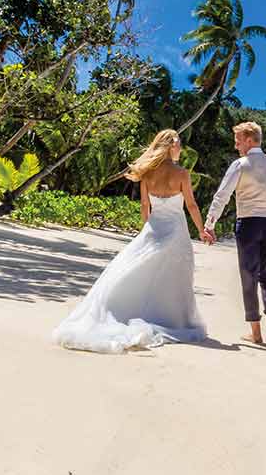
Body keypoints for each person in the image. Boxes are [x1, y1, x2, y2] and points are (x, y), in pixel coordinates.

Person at [52, 129, 208, 353]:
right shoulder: (182, 173)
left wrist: (147, 229)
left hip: (153, 229)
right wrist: (202, 230)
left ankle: (131, 310)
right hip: (175, 230)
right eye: (179, 144)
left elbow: (145, 206)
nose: (181, 149)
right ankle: (171, 318)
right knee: (173, 276)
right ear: (170, 146)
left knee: (138, 270)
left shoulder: (147, 173)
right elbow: (191, 205)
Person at [203, 121, 266, 345]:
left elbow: (222, 196)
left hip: (249, 224)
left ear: (250, 140)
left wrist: (210, 224)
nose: (236, 146)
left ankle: (256, 331)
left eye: (238, 141)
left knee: (249, 275)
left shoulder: (240, 165)